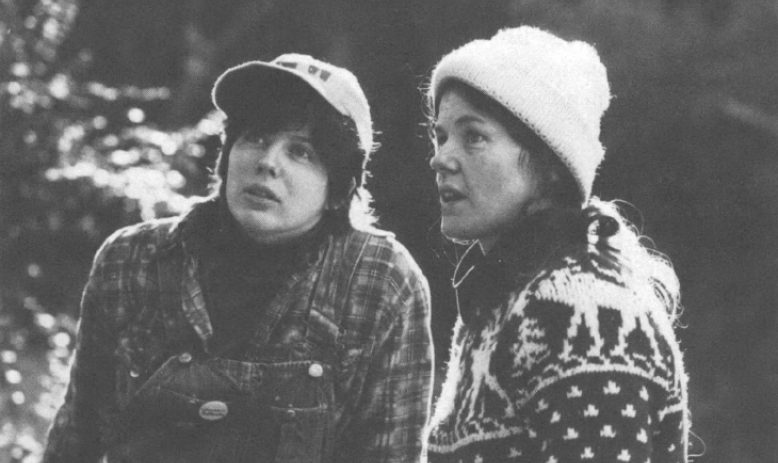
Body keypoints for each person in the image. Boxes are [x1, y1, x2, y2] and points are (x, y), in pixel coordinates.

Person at [43, 54, 434, 463]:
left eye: (300, 152)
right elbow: (76, 439)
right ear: (226, 156)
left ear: (339, 189)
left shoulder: (380, 280)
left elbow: (393, 454)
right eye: (256, 138)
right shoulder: (131, 259)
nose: (267, 162)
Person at [423, 27, 689, 462]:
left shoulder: (580, 310)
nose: (441, 158)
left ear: (548, 165)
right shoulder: (503, 304)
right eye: (440, 136)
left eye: (473, 136)